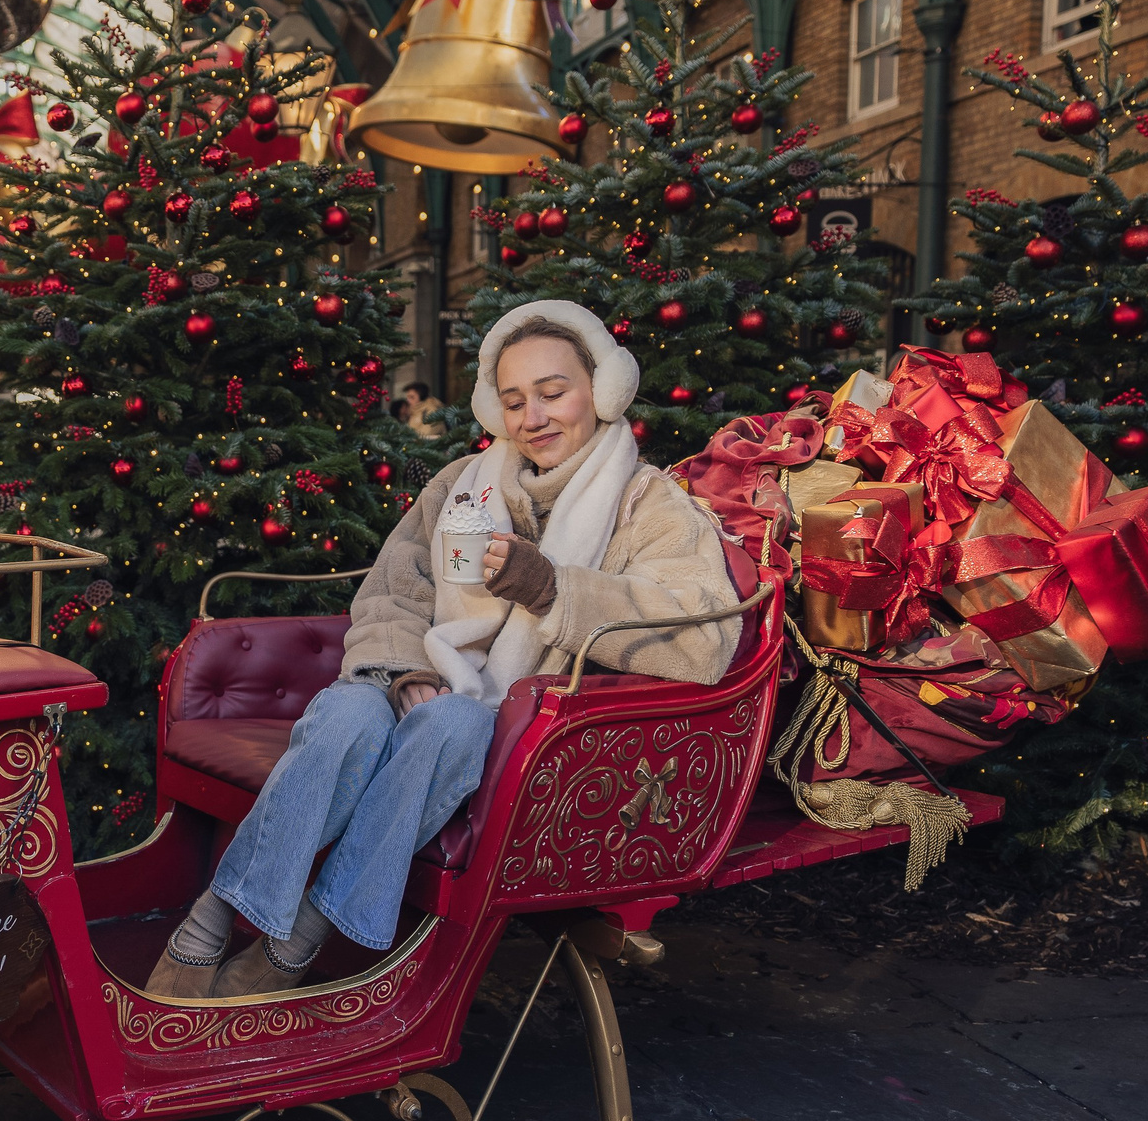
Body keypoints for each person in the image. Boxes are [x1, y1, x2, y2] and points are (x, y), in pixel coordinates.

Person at [147, 300, 742, 1001]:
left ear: (603, 390)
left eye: (554, 393)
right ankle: (210, 919)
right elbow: (391, 594)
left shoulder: (649, 505)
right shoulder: (462, 484)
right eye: (515, 401)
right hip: (419, 675)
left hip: (521, 719)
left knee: (450, 724)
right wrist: (405, 673)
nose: (534, 418)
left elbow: (703, 639)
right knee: (344, 715)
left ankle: (295, 943)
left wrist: (554, 591)